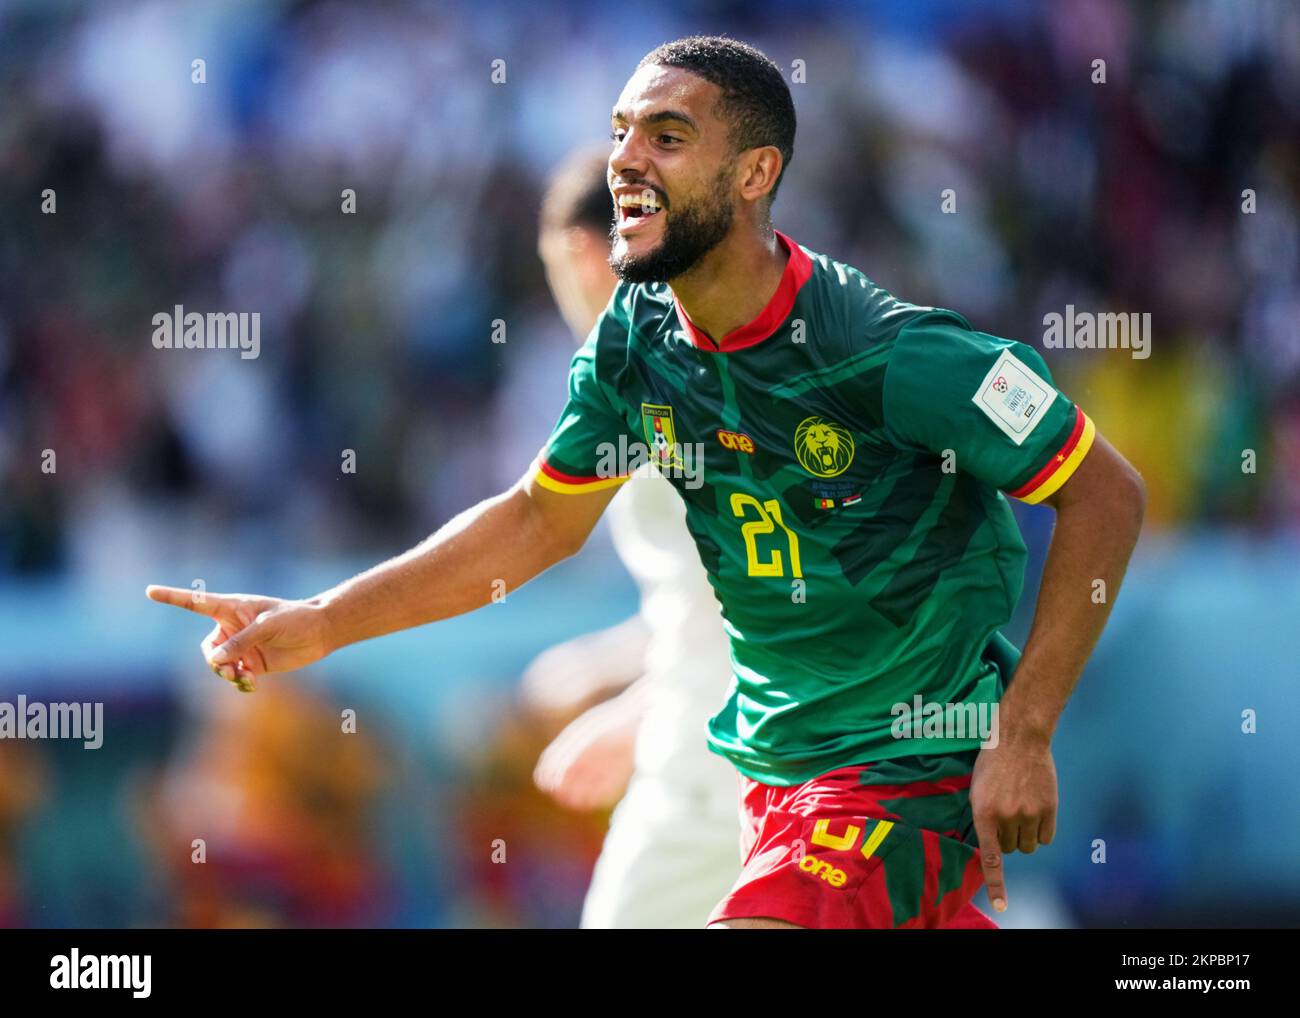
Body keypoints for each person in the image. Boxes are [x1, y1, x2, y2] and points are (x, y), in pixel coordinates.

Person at [146, 35, 1146, 929]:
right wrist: (322, 621)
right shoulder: (636, 344)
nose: (623, 159)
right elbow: (535, 520)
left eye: (666, 135)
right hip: (775, 781)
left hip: (901, 771)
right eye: (621, 131)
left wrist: (1024, 730)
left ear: (755, 172)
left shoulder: (889, 354)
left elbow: (1106, 492)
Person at [525, 146, 740, 928]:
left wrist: (638, 710)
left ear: (580, 253)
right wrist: (617, 669)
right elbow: (707, 594)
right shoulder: (702, 354)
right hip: (758, 745)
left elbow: (758, 591)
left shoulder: (660, 383)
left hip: (715, 762)